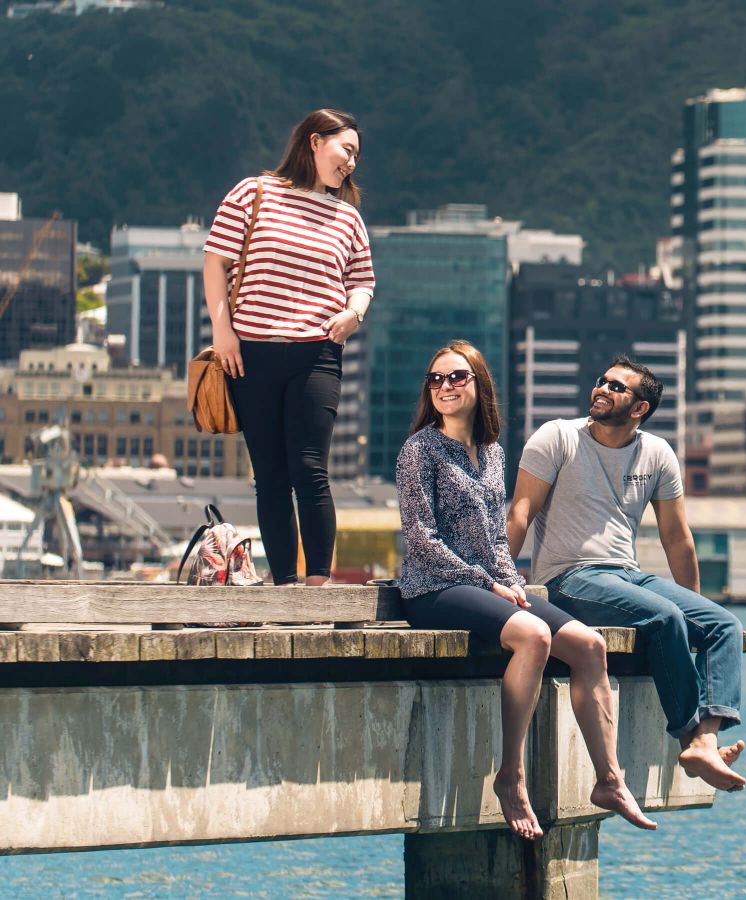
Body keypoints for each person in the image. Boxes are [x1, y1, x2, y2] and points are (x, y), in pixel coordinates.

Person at [395, 341, 656, 840]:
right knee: (534, 635)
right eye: (435, 379)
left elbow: (496, 536)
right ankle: (511, 777)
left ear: (479, 384)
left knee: (588, 645)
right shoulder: (419, 450)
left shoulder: (491, 453)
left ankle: (610, 779)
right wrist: (491, 583)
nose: (444, 387)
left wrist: (510, 582)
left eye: (456, 378)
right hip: (433, 587)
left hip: (488, 584)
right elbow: (421, 540)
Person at [507, 357, 746, 792]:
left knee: (724, 624)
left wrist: (695, 608)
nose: (601, 389)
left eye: (616, 387)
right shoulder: (557, 437)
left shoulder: (656, 453)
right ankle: (689, 737)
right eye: (601, 381)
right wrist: (500, 578)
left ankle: (705, 740)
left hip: (626, 575)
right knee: (662, 618)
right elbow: (521, 512)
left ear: (640, 408)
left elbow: (678, 539)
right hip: (568, 578)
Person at [201, 108, 374, 585]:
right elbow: (215, 264)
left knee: (310, 467)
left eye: (357, 155)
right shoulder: (252, 193)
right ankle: (284, 585)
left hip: (317, 353)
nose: (352, 162)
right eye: (348, 150)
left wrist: (353, 313)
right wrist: (223, 331)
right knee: (270, 475)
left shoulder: (348, 218)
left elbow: (362, 281)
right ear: (316, 142)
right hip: (249, 353)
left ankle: (317, 582)